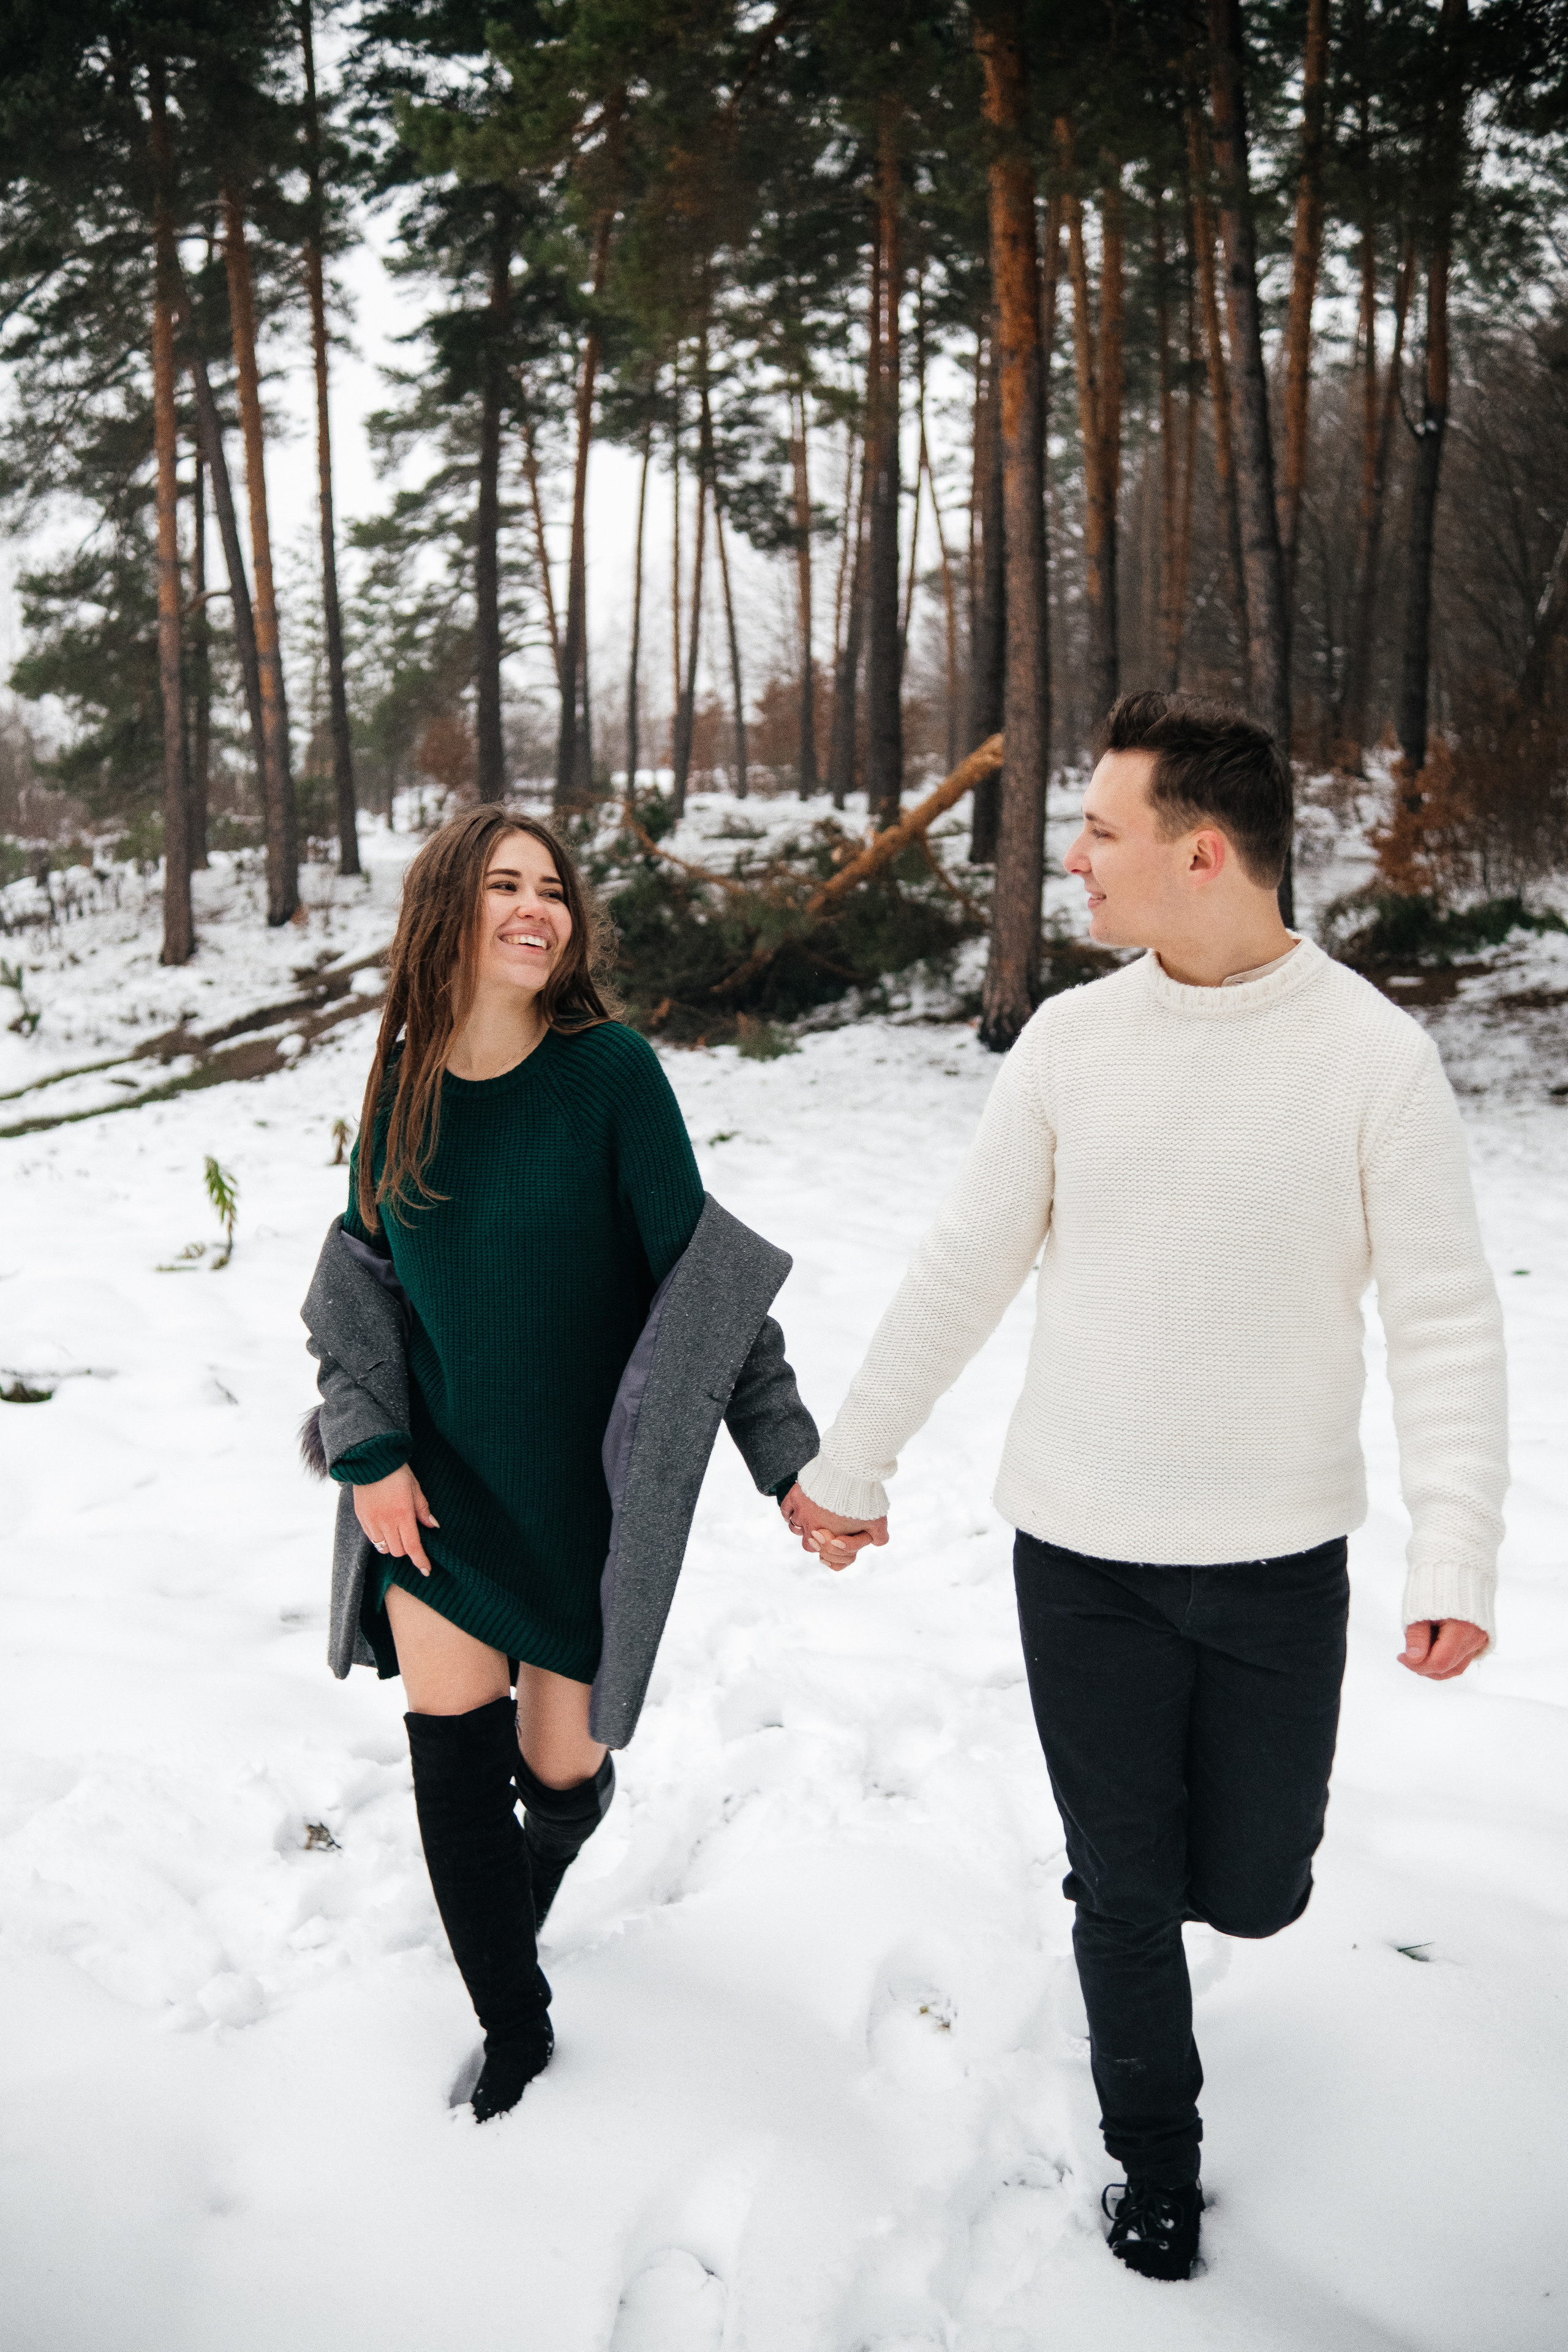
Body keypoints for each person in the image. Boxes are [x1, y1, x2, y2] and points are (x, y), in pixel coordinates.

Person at [783, 692, 1508, 2281]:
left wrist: (1452, 1554)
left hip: (1277, 1570)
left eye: (1100, 830)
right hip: (1083, 1558)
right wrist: (849, 1466)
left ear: (1199, 854)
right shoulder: (1071, 1044)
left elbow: (1446, 1323)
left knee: (1250, 1892)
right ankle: (1155, 2163)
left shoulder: (1372, 1061)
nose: (1074, 858)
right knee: (1122, 1887)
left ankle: (1194, 1912)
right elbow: (962, 1268)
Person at [300, 805, 832, 2123]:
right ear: (448, 910)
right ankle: (514, 2022)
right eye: (504, 885)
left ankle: (532, 1870)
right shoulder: (400, 1091)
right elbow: (357, 1296)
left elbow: (708, 1297)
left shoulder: (611, 1078)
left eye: (552, 889)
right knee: (450, 1762)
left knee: (556, 1772)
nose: (537, 909)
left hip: (584, 1510)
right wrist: (368, 1451)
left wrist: (788, 1463)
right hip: (437, 1497)